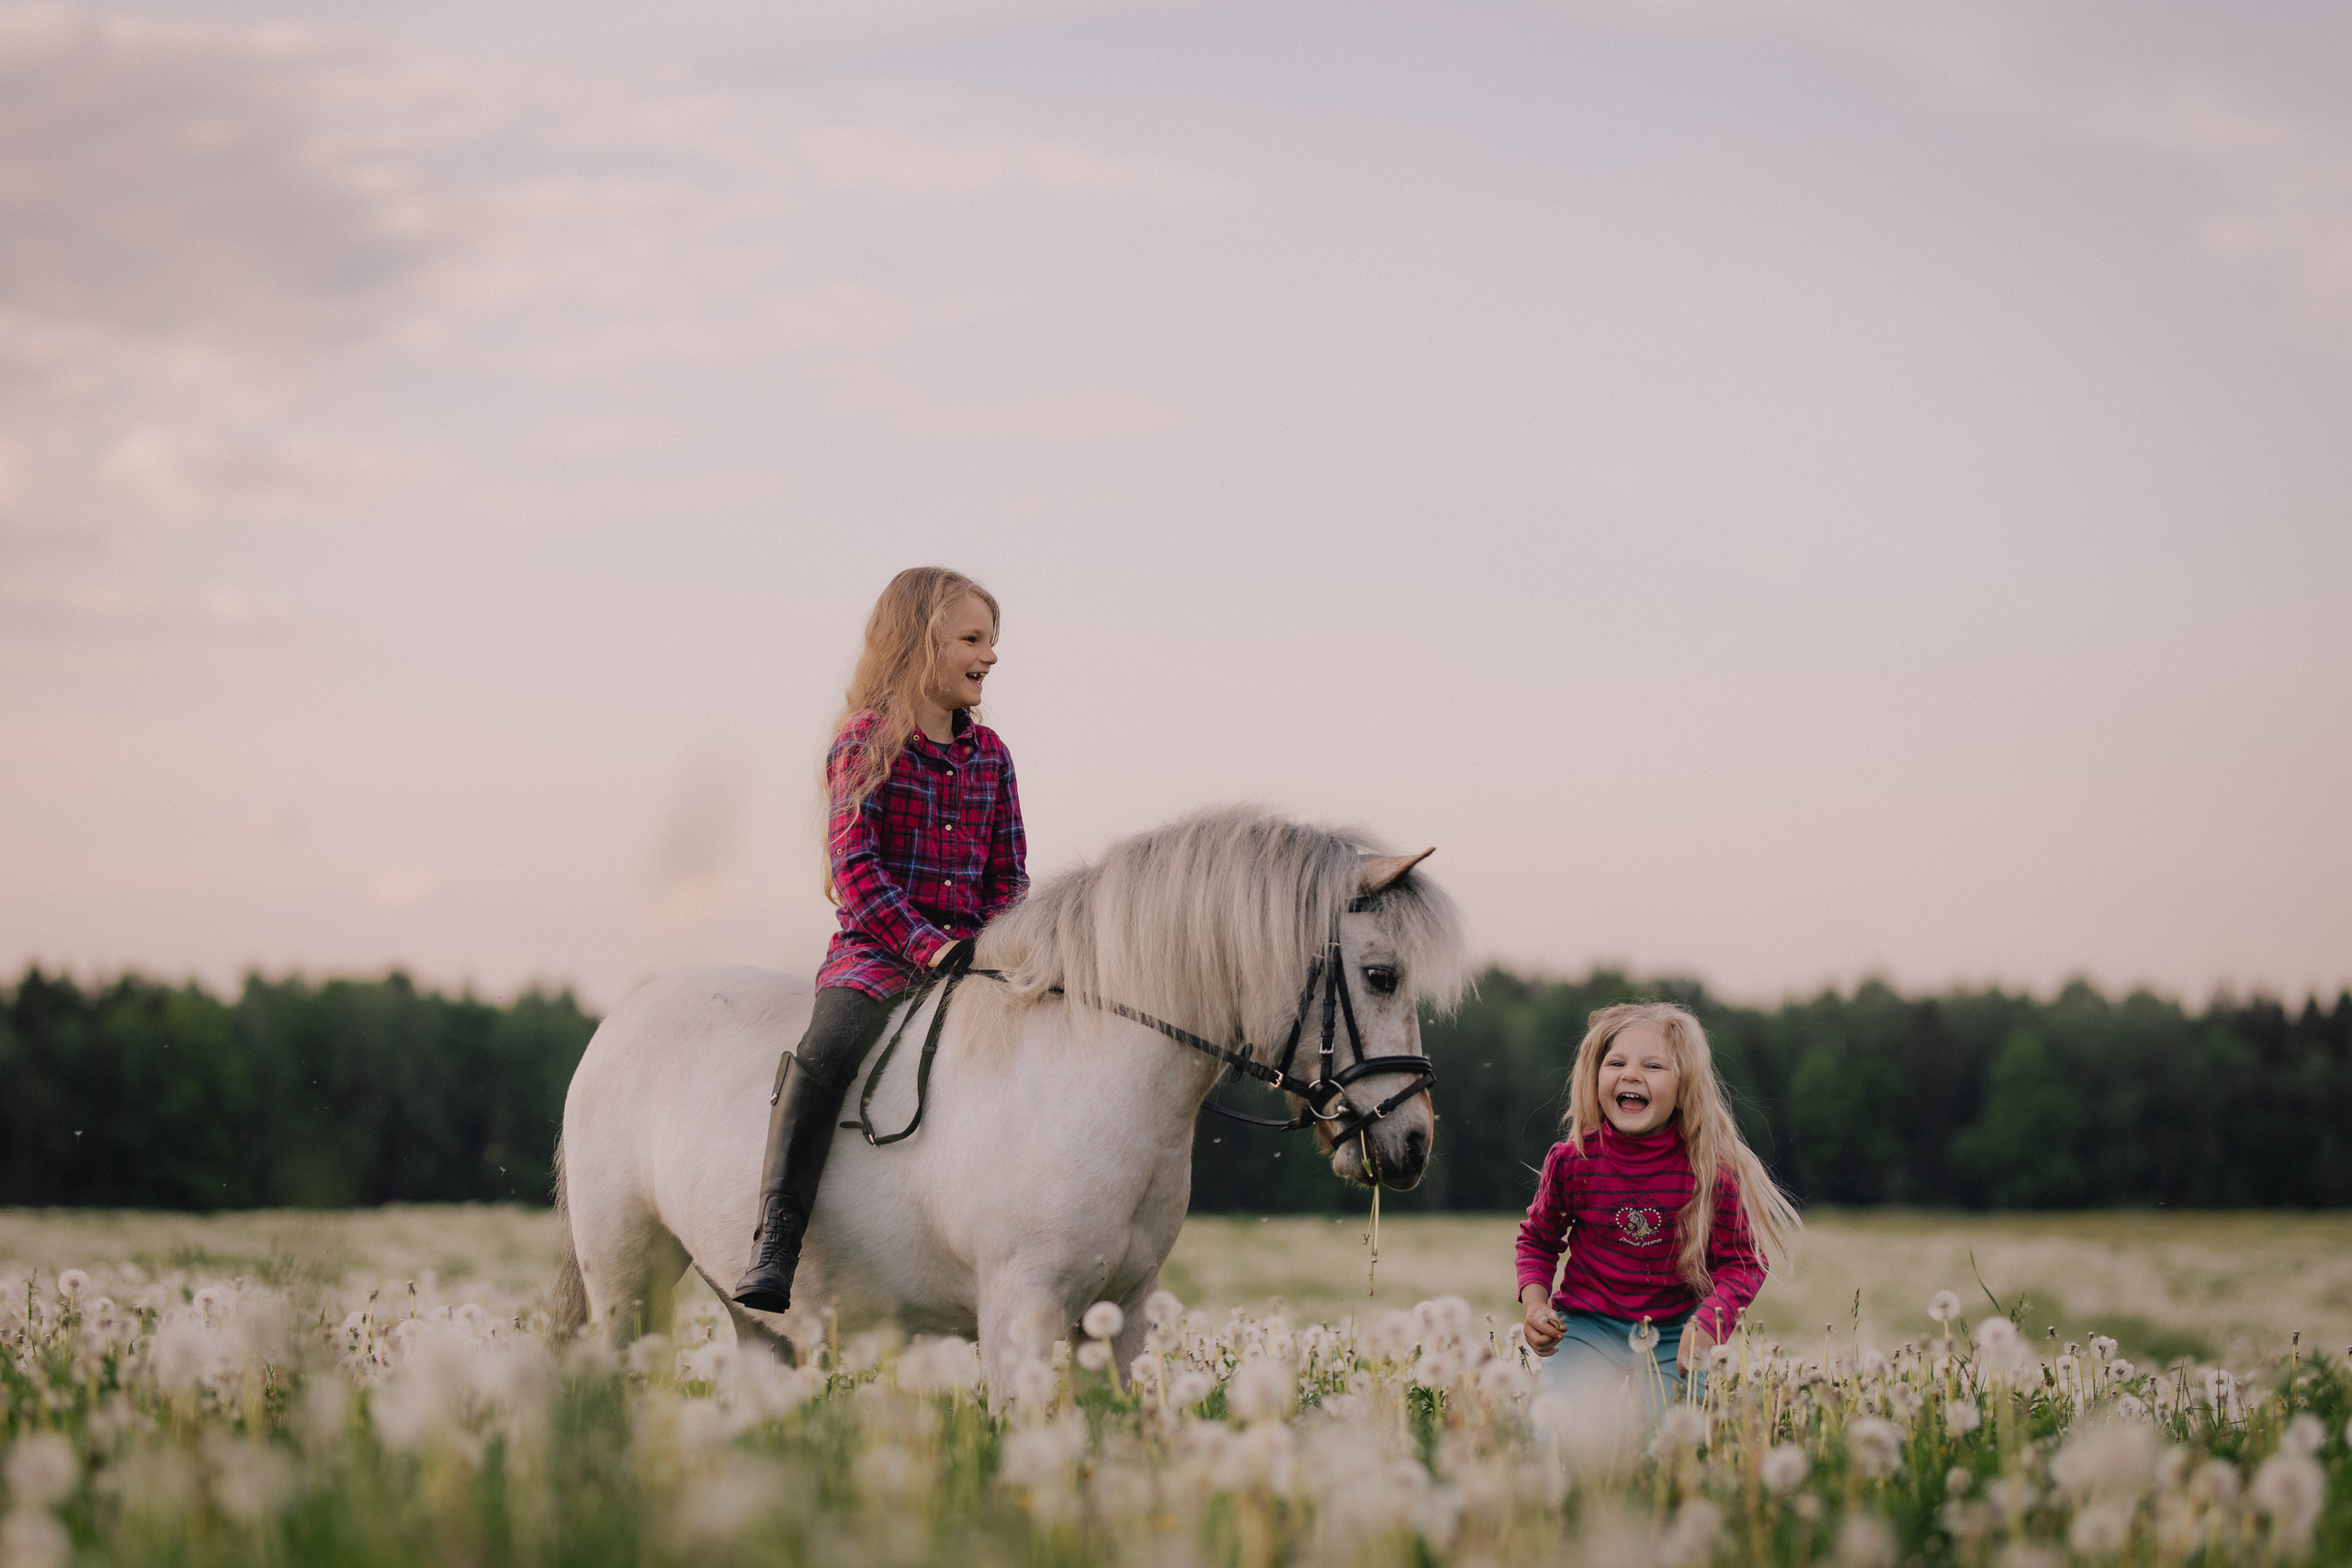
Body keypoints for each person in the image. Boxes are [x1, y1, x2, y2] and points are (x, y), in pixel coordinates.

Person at [731, 567, 1028, 1313]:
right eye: (972, 638)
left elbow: (1010, 872)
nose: (990, 655)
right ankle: (777, 1237)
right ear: (919, 643)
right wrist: (928, 946)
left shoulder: (992, 755)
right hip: (878, 954)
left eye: (992, 641)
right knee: (825, 1053)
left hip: (975, 959)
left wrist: (990, 946)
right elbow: (856, 870)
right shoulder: (864, 743)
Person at [1514, 1001, 1800, 1404]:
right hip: (1586, 1324)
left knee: (1667, 1450)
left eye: (1653, 1066)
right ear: (1594, 1077)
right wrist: (1535, 1306)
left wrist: (1707, 1324)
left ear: (1685, 1088)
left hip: (1675, 1332)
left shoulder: (1710, 1173)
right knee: (1561, 1434)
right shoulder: (1572, 1161)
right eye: (1616, 1063)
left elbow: (1743, 1262)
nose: (1631, 1074)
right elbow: (1538, 1241)